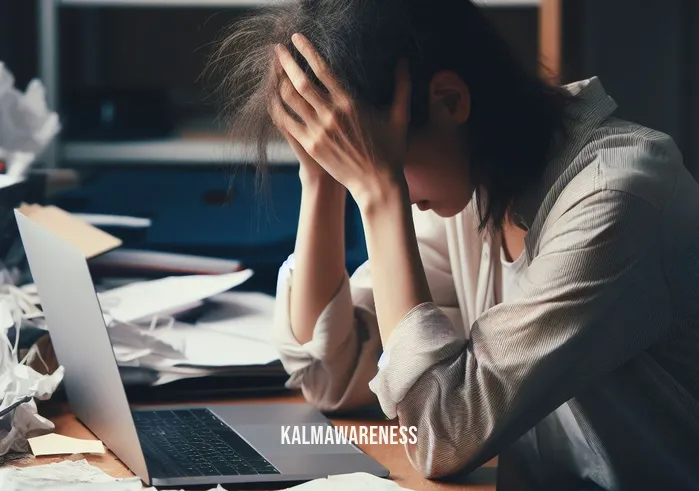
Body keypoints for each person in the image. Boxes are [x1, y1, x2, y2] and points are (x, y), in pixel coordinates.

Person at [210, 0, 699, 489]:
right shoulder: (469, 188)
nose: (361, 171)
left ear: (449, 102)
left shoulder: (616, 197)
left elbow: (443, 436)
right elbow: (333, 376)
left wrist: (380, 193)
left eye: (367, 151)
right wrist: (320, 179)